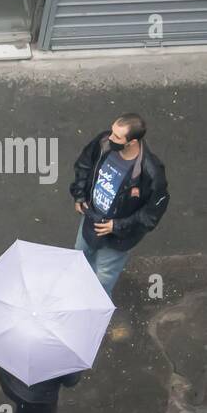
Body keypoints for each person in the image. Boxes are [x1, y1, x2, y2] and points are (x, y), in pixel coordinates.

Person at [69, 113, 169, 297]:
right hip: (91, 218)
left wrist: (116, 226)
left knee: (104, 277)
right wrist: (80, 195)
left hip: (118, 237)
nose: (110, 137)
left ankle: (95, 306)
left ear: (131, 142)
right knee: (80, 259)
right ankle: (79, 294)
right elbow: (84, 165)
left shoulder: (151, 172)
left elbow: (151, 215)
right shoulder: (103, 143)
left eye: (117, 136)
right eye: (112, 131)